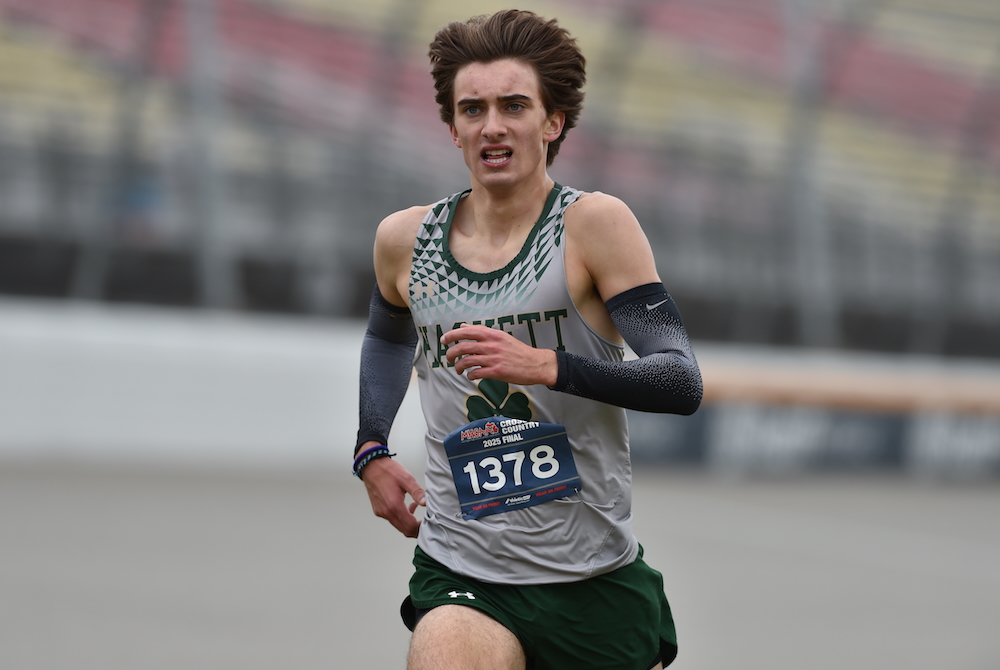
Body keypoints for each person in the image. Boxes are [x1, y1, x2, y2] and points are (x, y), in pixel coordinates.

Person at [353, 10, 703, 670]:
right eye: (473, 109)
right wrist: (371, 444)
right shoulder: (404, 241)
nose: (492, 125)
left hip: (591, 578)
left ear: (552, 122)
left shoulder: (593, 226)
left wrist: (547, 365)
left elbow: (679, 378)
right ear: (453, 129)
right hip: (462, 567)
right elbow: (388, 338)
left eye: (514, 106)